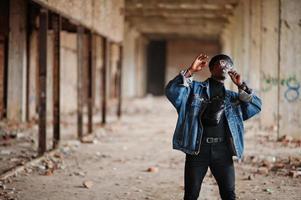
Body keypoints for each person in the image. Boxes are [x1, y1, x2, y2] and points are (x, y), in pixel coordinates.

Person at [165, 53, 262, 200]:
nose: (225, 67)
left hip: (223, 153)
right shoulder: (194, 90)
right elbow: (172, 92)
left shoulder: (233, 97)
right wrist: (190, 71)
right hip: (197, 151)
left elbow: (255, 106)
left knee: (229, 194)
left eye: (229, 64)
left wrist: (241, 86)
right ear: (211, 68)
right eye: (222, 63)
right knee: (191, 195)